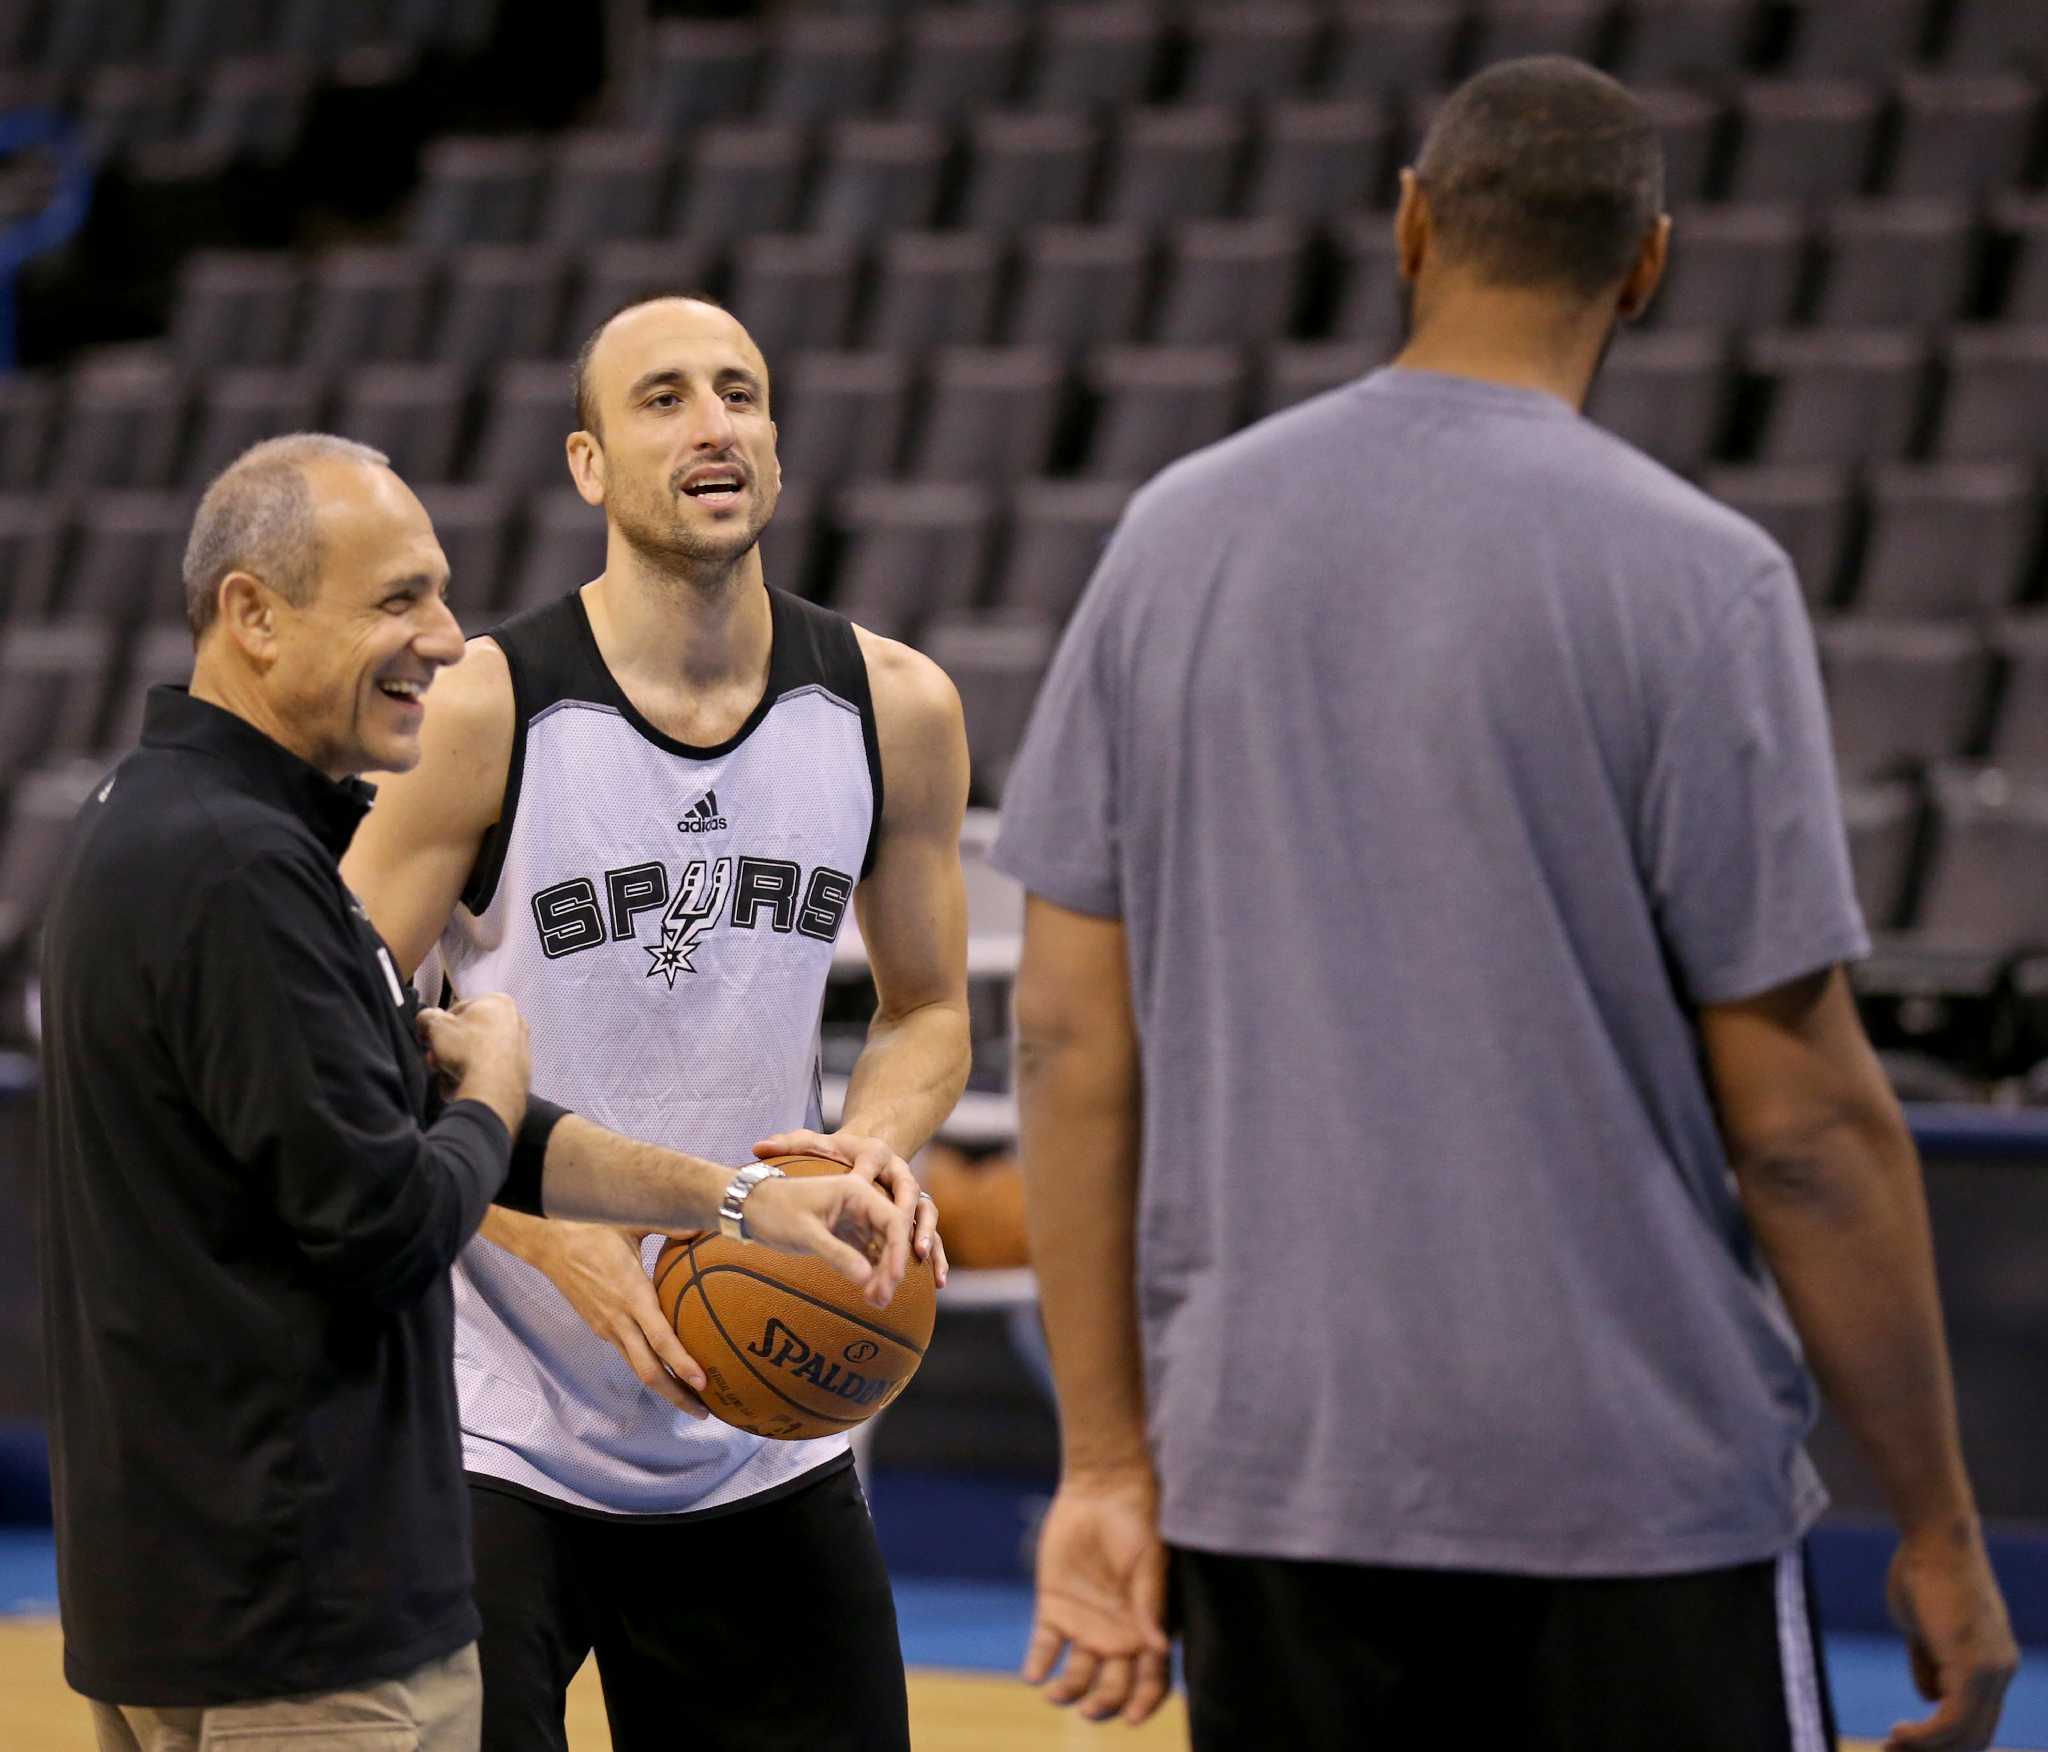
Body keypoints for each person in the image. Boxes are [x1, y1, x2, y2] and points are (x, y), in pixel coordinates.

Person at [994, 56, 2019, 1752]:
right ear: (1647, 265)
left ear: (1409, 225)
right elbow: (1809, 1134)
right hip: (1633, 1499)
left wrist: (1107, 1462)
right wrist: (1941, 1527)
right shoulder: (1704, 581)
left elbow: (1065, 1036)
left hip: (1274, 1482)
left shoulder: (1171, 539)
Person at [35, 433, 915, 1752]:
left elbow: (407, 1130)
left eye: (440, 594)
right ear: (251, 615)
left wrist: (729, 1201)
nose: (446, 638)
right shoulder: (239, 871)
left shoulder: (165, 818)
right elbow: (386, 1208)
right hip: (296, 1604)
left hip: (179, 1573)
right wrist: (490, 1092)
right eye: (398, 599)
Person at [342, 295, 971, 1751]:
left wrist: (868, 1150)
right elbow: (341, 1038)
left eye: (742, 395)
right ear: (587, 464)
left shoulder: (894, 708)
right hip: (489, 1424)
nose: (714, 425)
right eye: (666, 398)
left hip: (759, 1419)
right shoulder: (483, 712)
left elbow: (931, 1012)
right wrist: (536, 1219)